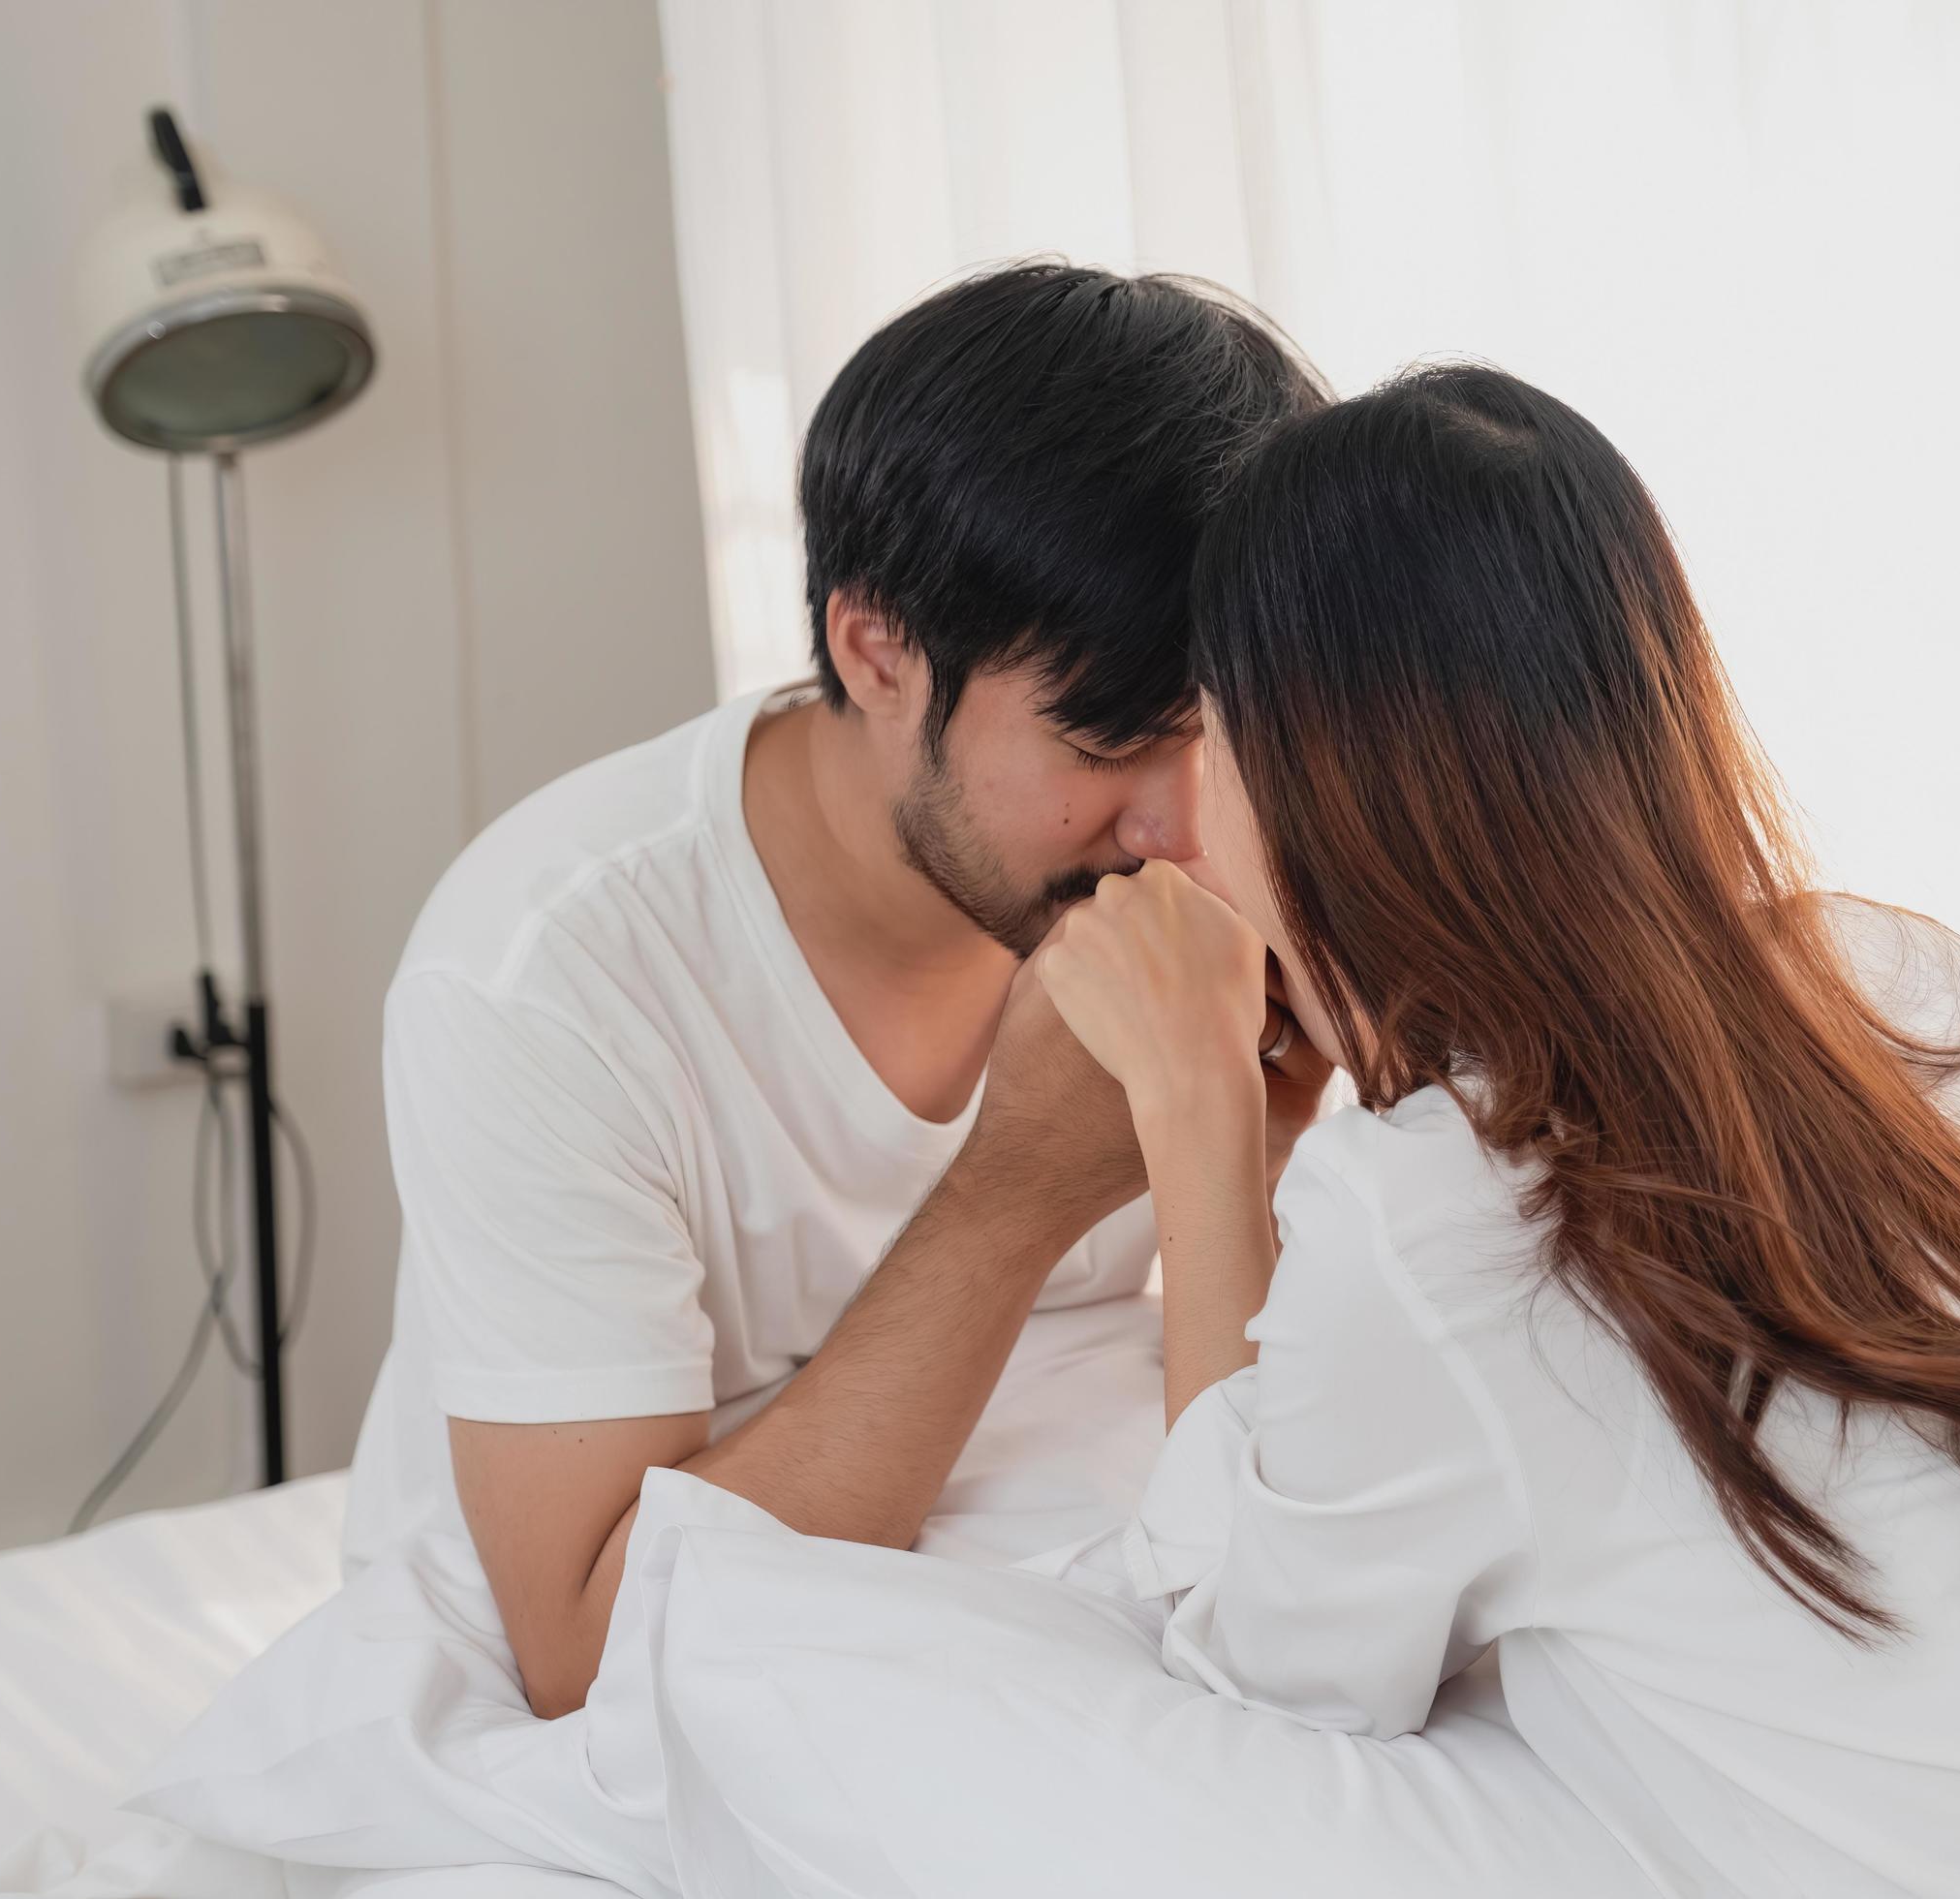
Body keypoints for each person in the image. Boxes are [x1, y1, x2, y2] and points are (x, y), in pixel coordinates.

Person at [1032, 364, 1960, 1893]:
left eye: (1210, 734)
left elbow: (1261, 1648)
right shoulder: (1916, 989)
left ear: (1319, 773)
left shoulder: (1446, 1223)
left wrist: (1200, 1113)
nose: (1183, 813)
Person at [344, 262, 1332, 1720]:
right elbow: (588, 1646)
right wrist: (1020, 1189)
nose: (1181, 823)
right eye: (1109, 740)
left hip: (1062, 1613)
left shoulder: (1203, 853)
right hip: (649, 1705)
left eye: (1220, 735)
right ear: (876, 651)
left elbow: (1299, 1472)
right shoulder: (549, 972)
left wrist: (1269, 1156)